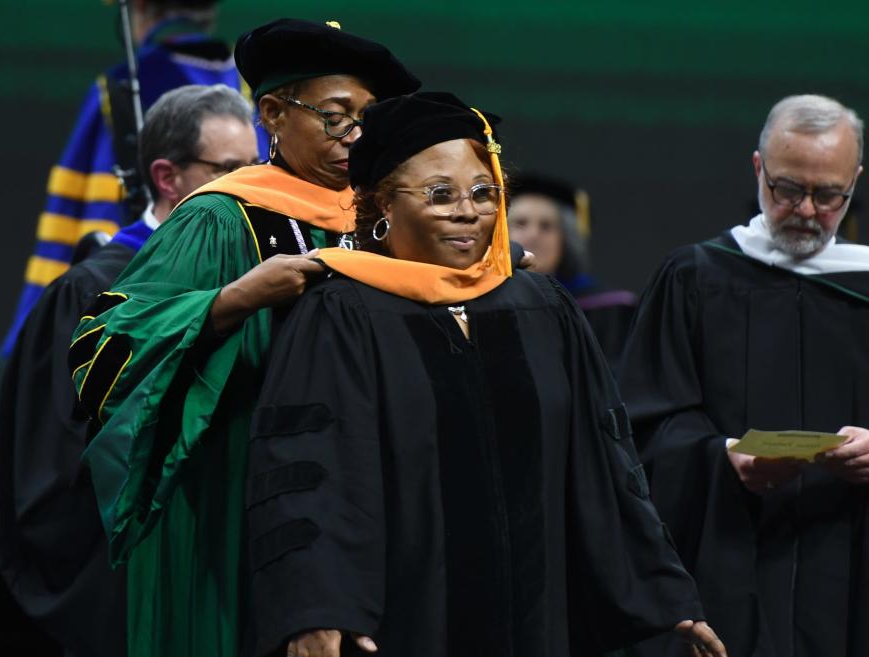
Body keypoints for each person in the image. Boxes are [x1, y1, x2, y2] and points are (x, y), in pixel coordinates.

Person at [246, 92, 726, 657]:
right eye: (440, 195)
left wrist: (666, 594)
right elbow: (311, 475)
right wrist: (317, 607)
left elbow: (604, 463)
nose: (467, 212)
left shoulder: (542, 307)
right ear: (381, 205)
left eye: (483, 192)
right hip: (400, 619)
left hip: (533, 619)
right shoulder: (342, 314)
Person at [68, 19, 419, 657]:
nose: (355, 137)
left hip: (363, 497)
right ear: (273, 113)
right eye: (336, 116)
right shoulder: (220, 217)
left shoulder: (382, 219)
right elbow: (105, 348)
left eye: (369, 118)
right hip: (234, 493)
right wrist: (233, 300)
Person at [0, 83, 257, 657]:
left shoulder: (266, 274)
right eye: (230, 170)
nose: (250, 188)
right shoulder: (97, 289)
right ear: (167, 178)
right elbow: (57, 466)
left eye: (256, 167)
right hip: (134, 578)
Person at [618, 94, 869, 657]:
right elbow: (640, 428)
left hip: (851, 564)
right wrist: (721, 457)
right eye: (787, 188)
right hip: (728, 562)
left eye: (830, 195)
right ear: (758, 169)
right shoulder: (695, 277)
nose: (807, 210)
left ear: (854, 181)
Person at [1, 0, 256, 355]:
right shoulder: (251, 85)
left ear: (139, 11)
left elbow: (91, 209)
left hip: (134, 291)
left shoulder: (120, 85)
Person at [508, 174, 636, 371]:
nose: (533, 234)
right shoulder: (480, 304)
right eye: (521, 223)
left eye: (547, 226)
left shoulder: (608, 309)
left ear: (566, 240)